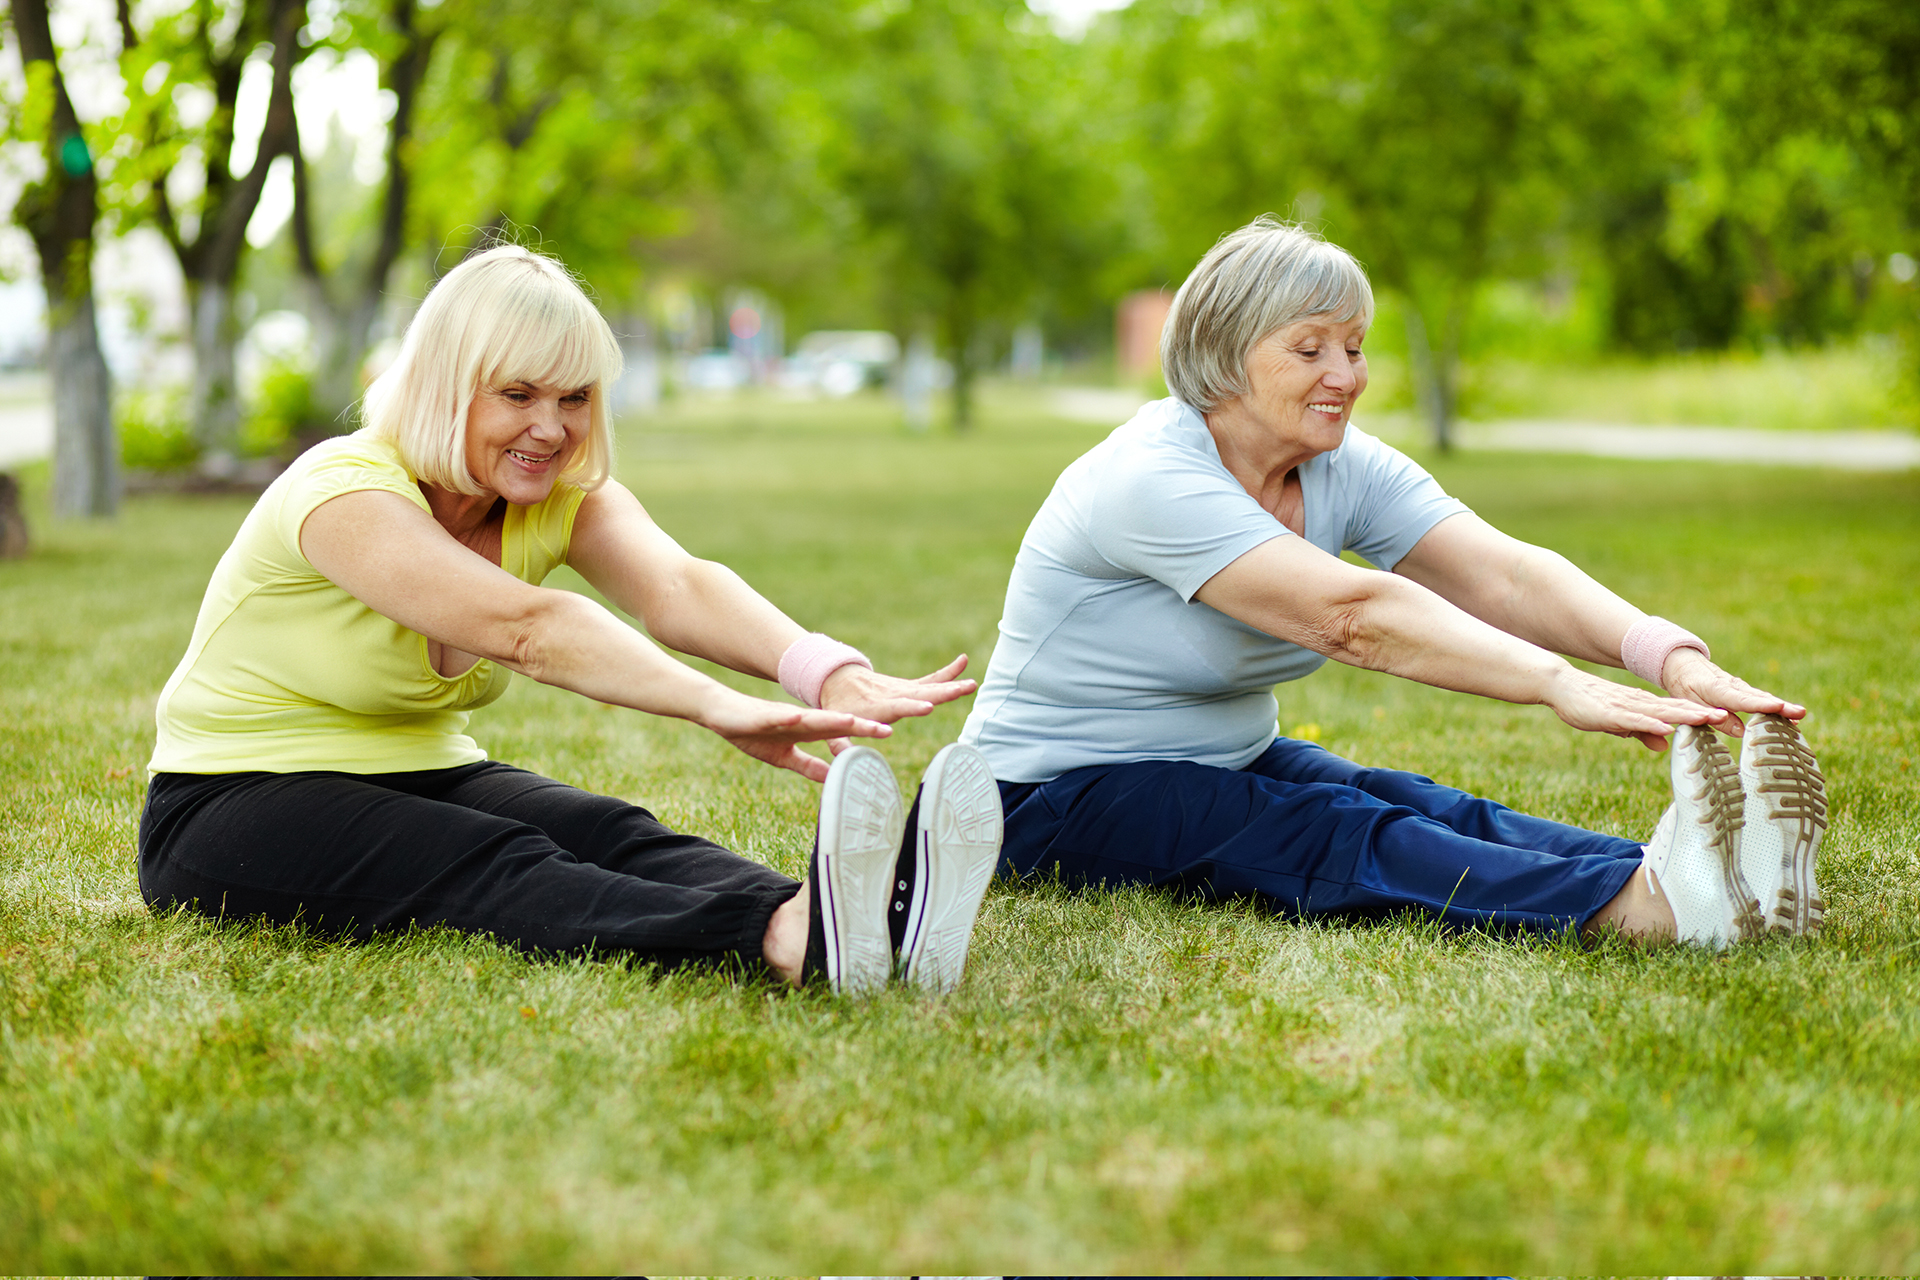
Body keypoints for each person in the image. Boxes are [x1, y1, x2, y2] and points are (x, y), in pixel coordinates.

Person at [138, 244, 1004, 994]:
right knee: (498, 865)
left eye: (575, 398)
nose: (551, 429)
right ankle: (781, 940)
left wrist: (821, 669)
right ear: (448, 387)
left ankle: (870, 921)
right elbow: (528, 626)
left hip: (418, 768)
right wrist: (713, 704)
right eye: (518, 394)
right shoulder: (343, 492)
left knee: (610, 832)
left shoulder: (557, 495)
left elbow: (676, 584)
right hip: (232, 800)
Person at [959, 217, 1827, 948]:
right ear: (1223, 356)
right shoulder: (1148, 477)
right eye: (1310, 349)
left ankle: (1697, 873)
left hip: (1217, 756)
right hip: (1040, 799)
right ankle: (1637, 909)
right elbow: (1352, 618)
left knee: (1414, 804)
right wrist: (1557, 684)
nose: (1347, 375)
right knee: (1332, 831)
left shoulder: (1339, 464)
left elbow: (1501, 572)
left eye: (1354, 347)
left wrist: (1663, 656)